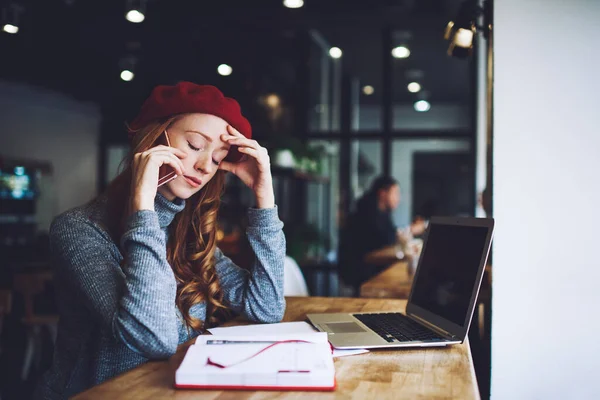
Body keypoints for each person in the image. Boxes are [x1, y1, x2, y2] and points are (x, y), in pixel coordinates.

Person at [35, 82, 286, 399]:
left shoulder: (189, 231)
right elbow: (155, 338)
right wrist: (142, 207)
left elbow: (266, 308)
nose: (205, 165)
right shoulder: (78, 230)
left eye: (219, 156)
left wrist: (264, 197)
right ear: (152, 139)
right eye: (195, 144)